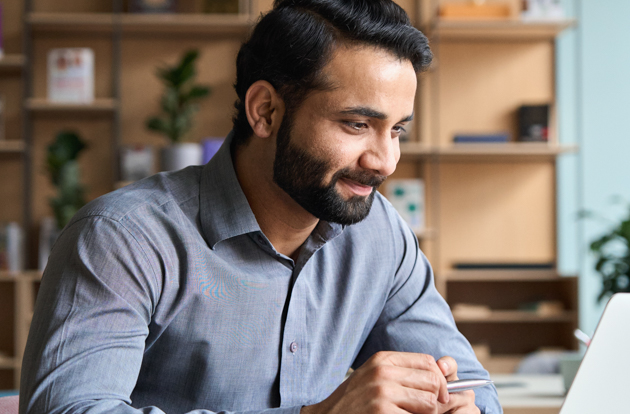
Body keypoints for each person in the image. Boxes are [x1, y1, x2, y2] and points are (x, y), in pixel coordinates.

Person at [20, 1, 502, 413]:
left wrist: (461, 406)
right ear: (265, 111)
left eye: (397, 130)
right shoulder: (122, 237)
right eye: (357, 124)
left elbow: (475, 389)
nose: (385, 162)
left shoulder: (381, 236)